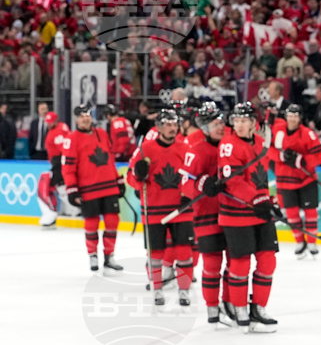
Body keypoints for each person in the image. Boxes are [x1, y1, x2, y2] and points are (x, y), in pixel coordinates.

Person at [218, 102, 280, 333]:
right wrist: (256, 199)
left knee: (268, 261)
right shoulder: (227, 145)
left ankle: (258, 308)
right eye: (236, 120)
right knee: (241, 264)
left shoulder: (261, 144)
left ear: (254, 123)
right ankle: (239, 308)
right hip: (236, 215)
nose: (239, 125)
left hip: (260, 211)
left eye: (244, 120)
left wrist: (269, 201)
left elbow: (260, 179)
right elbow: (233, 182)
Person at [127, 109, 195, 307]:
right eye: (168, 125)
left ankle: (184, 290)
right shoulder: (144, 149)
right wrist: (138, 176)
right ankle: (157, 289)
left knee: (184, 252)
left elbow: (193, 176)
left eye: (175, 125)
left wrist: (188, 195)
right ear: (158, 127)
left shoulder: (185, 148)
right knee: (155, 254)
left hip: (181, 210)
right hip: (154, 209)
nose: (173, 128)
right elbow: (131, 178)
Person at [182, 102, 232, 326]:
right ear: (204, 127)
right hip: (207, 215)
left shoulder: (233, 145)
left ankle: (231, 302)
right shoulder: (197, 151)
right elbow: (185, 184)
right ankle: (212, 307)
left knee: (235, 262)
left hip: (233, 214)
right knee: (212, 263)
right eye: (215, 124)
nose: (220, 127)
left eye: (221, 122)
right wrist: (202, 183)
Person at [62, 105, 125, 274]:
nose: (85, 119)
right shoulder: (71, 139)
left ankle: (109, 255)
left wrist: (118, 179)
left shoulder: (102, 134)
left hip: (109, 186)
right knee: (92, 223)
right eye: (81, 117)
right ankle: (93, 255)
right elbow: (68, 168)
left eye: (87, 116)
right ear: (76, 120)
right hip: (88, 189)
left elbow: (110, 159)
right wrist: (71, 188)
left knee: (112, 222)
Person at [273, 104, 321, 258]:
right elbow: (268, 150)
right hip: (285, 181)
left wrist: (302, 161)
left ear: (300, 118)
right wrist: (281, 157)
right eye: (290, 115)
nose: (292, 119)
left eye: (295, 116)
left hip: (305, 180)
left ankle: (311, 242)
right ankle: (299, 242)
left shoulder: (308, 134)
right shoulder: (278, 131)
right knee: (292, 215)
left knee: (310, 213)